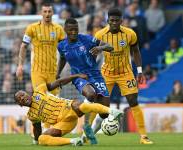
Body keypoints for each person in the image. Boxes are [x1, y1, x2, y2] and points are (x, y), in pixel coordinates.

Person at [93, 8, 153, 144]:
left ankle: (144, 136)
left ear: (121, 21)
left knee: (133, 101)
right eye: (111, 20)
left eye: (117, 20)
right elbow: (93, 54)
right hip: (106, 74)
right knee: (99, 106)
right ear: (107, 20)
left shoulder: (130, 34)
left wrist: (139, 71)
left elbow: (136, 51)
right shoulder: (100, 34)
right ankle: (87, 134)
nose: (114, 23)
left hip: (125, 73)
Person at [14, 74, 123, 146]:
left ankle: (111, 111)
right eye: (20, 99)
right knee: (43, 139)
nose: (23, 98)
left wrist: (76, 76)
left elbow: (58, 82)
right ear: (20, 105)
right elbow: (37, 129)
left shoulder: (39, 90)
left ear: (27, 93)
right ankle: (74, 141)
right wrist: (36, 140)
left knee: (81, 106)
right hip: (64, 124)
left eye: (23, 95)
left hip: (68, 107)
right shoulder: (31, 115)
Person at [56, 18, 114, 144]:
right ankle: (87, 125)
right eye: (70, 30)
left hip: (96, 75)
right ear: (65, 30)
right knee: (91, 94)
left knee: (104, 113)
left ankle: (89, 134)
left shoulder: (87, 39)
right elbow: (62, 58)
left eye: (75, 29)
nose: (73, 32)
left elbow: (110, 47)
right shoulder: (62, 45)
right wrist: (58, 73)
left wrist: (100, 48)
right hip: (78, 76)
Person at [16, 2, 65, 95]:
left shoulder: (59, 29)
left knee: (55, 101)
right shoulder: (32, 28)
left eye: (49, 11)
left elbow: (64, 50)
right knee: (41, 98)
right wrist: (20, 65)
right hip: (37, 71)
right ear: (41, 13)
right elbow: (23, 46)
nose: (47, 14)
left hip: (53, 71)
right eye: (45, 11)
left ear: (52, 13)